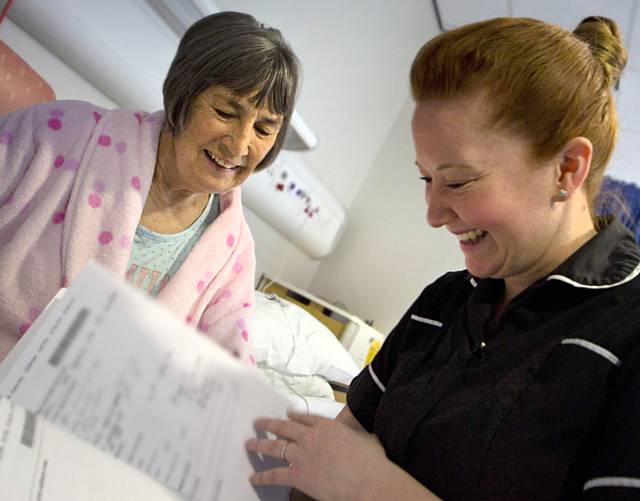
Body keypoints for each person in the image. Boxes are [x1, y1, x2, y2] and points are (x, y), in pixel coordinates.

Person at [245, 16, 640, 500]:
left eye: (457, 181)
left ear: (567, 168)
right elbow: (334, 451)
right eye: (426, 179)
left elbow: (348, 473)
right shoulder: (445, 302)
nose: (433, 214)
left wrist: (373, 488)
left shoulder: (628, 337)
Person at [0, 12, 299, 365]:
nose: (239, 146)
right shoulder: (55, 136)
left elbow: (224, 371)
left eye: (264, 130)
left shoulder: (233, 251)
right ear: (181, 92)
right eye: (224, 112)